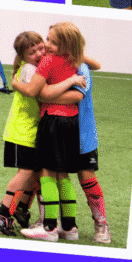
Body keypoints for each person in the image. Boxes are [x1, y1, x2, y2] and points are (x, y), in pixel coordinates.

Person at [0, 32, 86, 236]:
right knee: (25, 173)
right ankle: (3, 212)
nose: (39, 53)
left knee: (34, 173)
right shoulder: (30, 69)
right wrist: (71, 80)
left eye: (41, 47)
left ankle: (21, 209)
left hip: (34, 131)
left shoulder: (36, 65)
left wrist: (75, 56)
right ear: (23, 56)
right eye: (32, 52)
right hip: (22, 131)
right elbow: (43, 92)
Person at [19, 23, 89, 242]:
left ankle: (49, 228)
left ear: (65, 45)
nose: (46, 45)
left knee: (47, 173)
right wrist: (70, 80)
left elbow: (37, 91)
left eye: (52, 42)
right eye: (47, 39)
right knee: (64, 175)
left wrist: (15, 82)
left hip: (52, 122)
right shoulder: (75, 61)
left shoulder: (48, 61)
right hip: (71, 122)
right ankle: (70, 228)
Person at [74, 61, 111, 243]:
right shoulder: (51, 61)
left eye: (53, 40)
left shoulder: (81, 68)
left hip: (83, 134)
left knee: (86, 176)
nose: (48, 44)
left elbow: (77, 95)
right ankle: (59, 224)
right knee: (49, 173)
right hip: (56, 132)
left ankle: (101, 223)